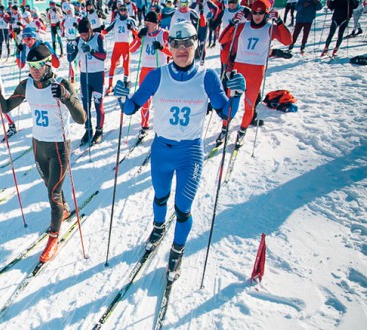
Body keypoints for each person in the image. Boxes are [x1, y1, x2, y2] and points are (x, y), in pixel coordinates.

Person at [114, 21, 246, 281]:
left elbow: (225, 113)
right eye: (176, 43)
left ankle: (177, 250)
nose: (182, 49)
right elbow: (131, 109)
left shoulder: (206, 76)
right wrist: (121, 97)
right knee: (160, 197)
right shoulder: (156, 75)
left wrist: (238, 95)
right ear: (169, 47)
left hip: (190, 154)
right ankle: (158, 227)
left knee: (183, 208)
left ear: (196, 44)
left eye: (187, 43)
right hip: (162, 150)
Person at [0, 44, 86, 262]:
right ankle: (64, 209)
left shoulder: (61, 83)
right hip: (38, 145)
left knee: (52, 194)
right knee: (50, 186)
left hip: (59, 146)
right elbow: (5, 107)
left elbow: (82, 119)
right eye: (30, 65)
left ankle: (53, 238)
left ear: (48, 63)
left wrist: (66, 97)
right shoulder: (27, 85)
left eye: (38, 65)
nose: (34, 70)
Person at [219, 0, 292, 147]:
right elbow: (222, 39)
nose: (257, 16)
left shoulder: (270, 28)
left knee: (249, 105)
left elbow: (287, 40)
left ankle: (242, 131)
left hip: (256, 71)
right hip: (238, 69)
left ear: (266, 14)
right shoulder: (242, 26)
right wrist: (233, 22)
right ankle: (224, 128)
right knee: (231, 102)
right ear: (251, 13)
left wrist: (279, 21)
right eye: (254, 13)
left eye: (261, 13)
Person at [131, 11, 171, 139]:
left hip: (160, 70)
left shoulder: (164, 34)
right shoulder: (143, 34)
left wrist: (161, 48)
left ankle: (163, 125)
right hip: (145, 70)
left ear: (155, 23)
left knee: (161, 99)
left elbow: (173, 53)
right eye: (145, 22)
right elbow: (131, 49)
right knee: (145, 100)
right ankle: (144, 125)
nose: (146, 25)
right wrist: (138, 37)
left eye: (148, 23)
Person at [68, 18, 107, 145]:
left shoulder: (99, 38)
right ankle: (88, 129)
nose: (83, 37)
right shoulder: (78, 40)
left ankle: (99, 131)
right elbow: (70, 58)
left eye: (85, 34)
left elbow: (103, 56)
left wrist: (91, 50)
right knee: (85, 106)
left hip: (97, 76)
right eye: (81, 34)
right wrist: (70, 50)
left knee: (98, 104)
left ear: (90, 30)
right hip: (84, 76)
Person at [103, 3, 138, 95]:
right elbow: (106, 31)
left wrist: (132, 29)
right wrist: (101, 29)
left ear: (127, 11)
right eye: (121, 10)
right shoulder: (116, 21)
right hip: (117, 45)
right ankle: (110, 85)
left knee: (126, 65)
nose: (123, 12)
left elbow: (138, 34)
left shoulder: (130, 20)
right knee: (113, 64)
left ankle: (125, 83)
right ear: (119, 11)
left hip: (126, 45)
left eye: (124, 10)